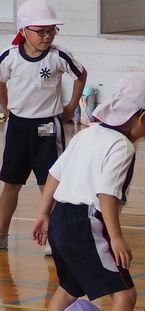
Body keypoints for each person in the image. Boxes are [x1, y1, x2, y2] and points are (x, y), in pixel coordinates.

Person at [31, 75, 145, 311]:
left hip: (61, 216)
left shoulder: (86, 135)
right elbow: (107, 194)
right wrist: (116, 236)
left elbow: (55, 174)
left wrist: (42, 214)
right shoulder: (121, 146)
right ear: (141, 117)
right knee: (125, 294)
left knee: (67, 288)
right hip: (87, 223)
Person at [0, 0, 87, 252]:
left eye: (51, 31)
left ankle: (55, 237)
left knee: (49, 183)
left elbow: (81, 75)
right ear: (23, 30)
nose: (47, 36)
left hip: (49, 127)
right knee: (11, 184)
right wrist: (7, 108)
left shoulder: (58, 56)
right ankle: (2, 235)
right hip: (18, 128)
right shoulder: (10, 57)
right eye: (41, 31)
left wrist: (71, 107)